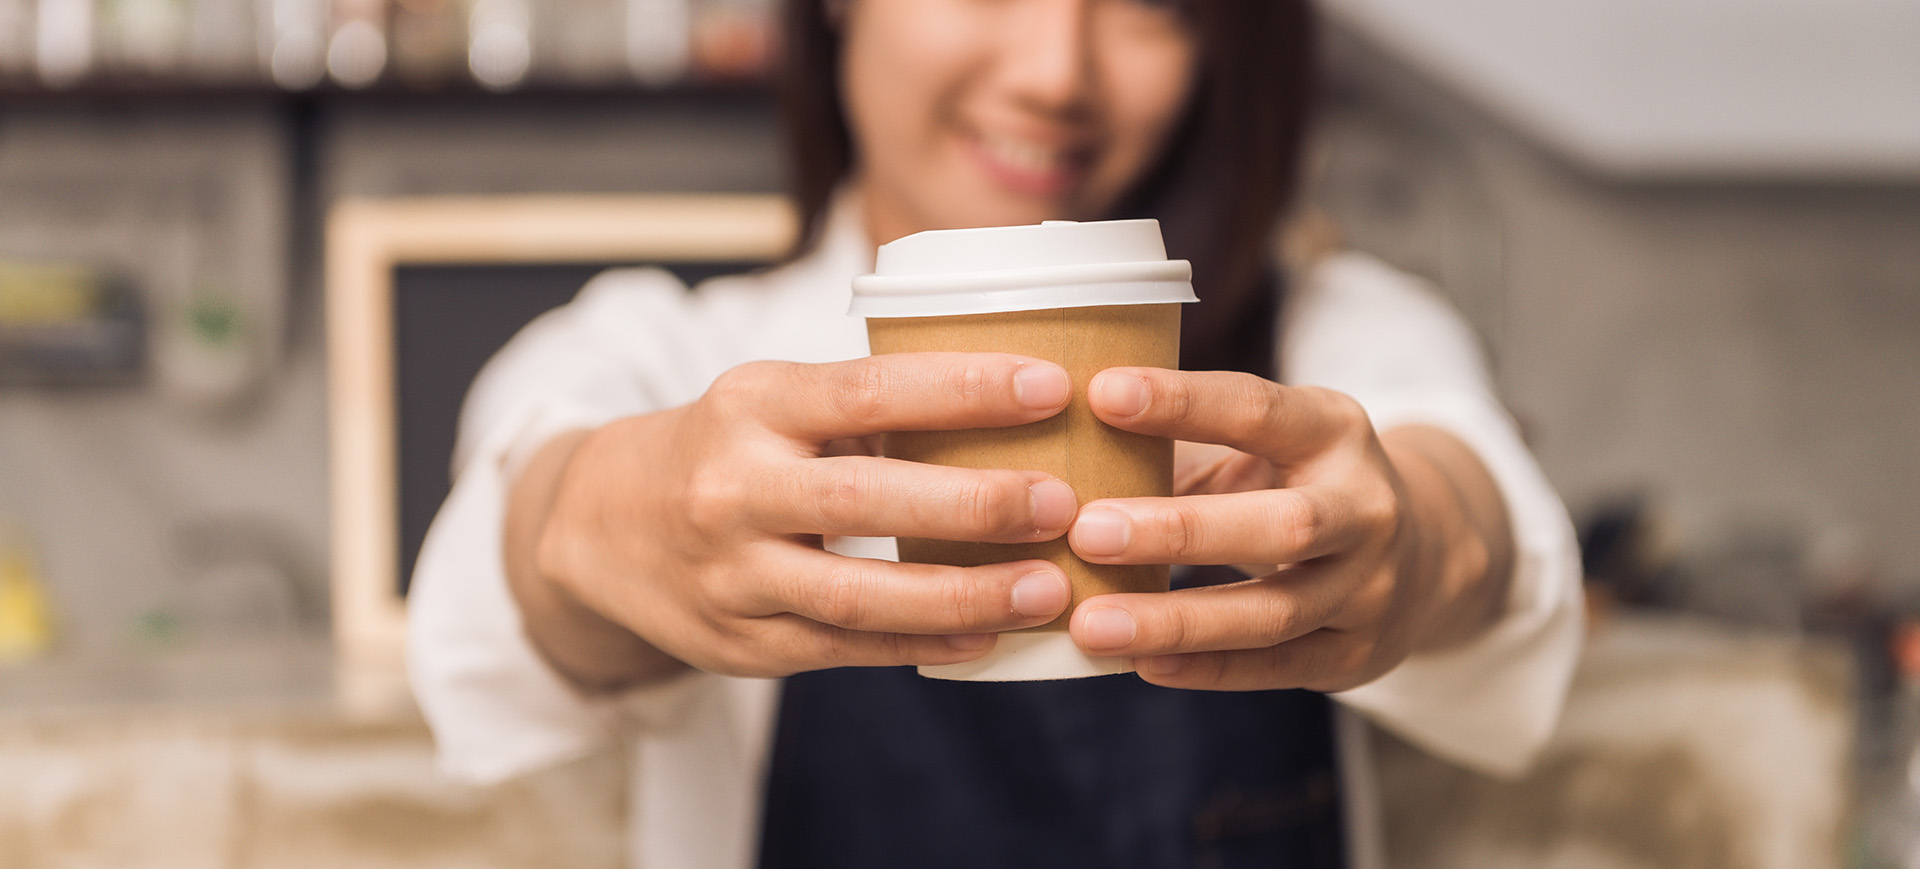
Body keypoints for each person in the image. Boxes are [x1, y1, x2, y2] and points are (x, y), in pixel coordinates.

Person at [408, 1, 1583, 867]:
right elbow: (522, 531)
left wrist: (1412, 545)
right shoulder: (673, 354)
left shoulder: (1329, 330)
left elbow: (1469, 501)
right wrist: (601, 518)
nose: (1055, 71)